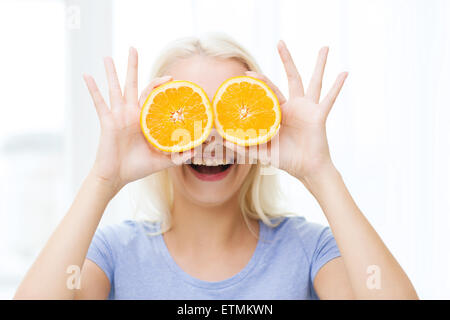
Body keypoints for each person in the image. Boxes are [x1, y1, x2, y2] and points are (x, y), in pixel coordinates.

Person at [14, 33, 418, 299]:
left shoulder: (309, 250)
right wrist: (103, 179)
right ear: (156, 127)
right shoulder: (115, 253)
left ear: (263, 124)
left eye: (229, 115)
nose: (211, 138)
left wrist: (321, 173)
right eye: (189, 116)